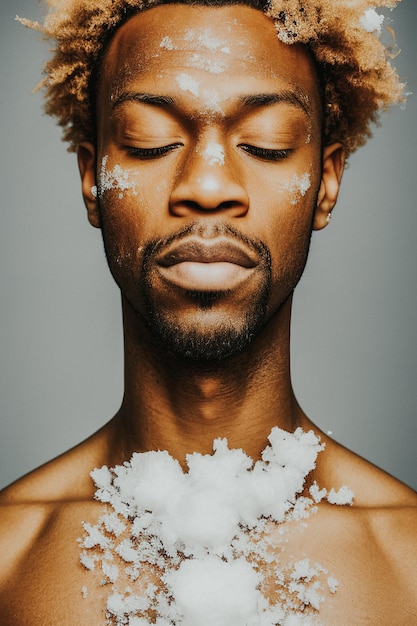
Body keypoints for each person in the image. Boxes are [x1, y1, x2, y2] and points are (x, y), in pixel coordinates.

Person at [1, 0, 416, 624]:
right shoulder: (8, 560)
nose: (208, 185)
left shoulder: (408, 567)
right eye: (151, 140)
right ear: (93, 179)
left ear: (326, 184)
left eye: (266, 144)